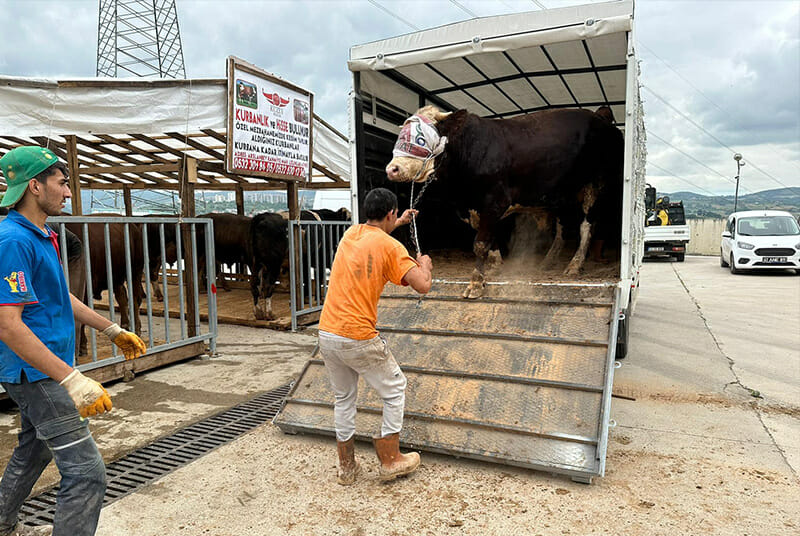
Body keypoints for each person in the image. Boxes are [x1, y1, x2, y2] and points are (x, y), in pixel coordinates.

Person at [0, 146, 147, 536]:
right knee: (86, 474)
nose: (68, 193)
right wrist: (71, 380)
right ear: (35, 186)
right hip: (37, 373)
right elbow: (8, 325)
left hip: (46, 367)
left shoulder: (41, 234)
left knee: (35, 449)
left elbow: (57, 295)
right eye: (62, 184)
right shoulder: (12, 242)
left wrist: (110, 329)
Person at [318, 187, 432, 485]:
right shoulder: (392, 248)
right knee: (394, 389)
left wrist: (401, 221)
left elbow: (377, 234)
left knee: (344, 398)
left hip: (328, 331)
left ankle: (347, 467)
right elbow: (422, 285)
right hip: (358, 336)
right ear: (390, 212)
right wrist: (425, 266)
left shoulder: (352, 234)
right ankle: (391, 459)